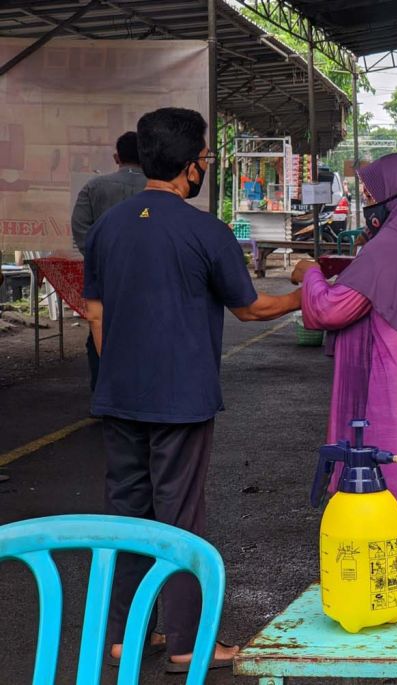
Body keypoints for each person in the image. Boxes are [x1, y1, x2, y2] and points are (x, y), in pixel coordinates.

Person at [83, 108, 302, 671]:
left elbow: (95, 311)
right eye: (203, 159)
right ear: (188, 169)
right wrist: (311, 290)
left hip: (120, 394)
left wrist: (124, 371)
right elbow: (253, 309)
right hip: (180, 399)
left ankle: (120, 636)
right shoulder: (207, 230)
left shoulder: (110, 225)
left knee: (126, 515)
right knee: (178, 518)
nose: (203, 167)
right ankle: (185, 644)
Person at [292, 153, 397, 579]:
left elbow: (331, 309)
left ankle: (382, 591)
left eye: (372, 193)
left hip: (392, 387)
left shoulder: (392, 247)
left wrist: (309, 274)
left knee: (382, 491)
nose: (369, 202)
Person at [71, 131, 148, 391]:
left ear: (117, 157)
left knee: (100, 333)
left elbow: (81, 230)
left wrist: (99, 261)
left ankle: (103, 397)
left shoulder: (94, 187)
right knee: (145, 335)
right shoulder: (159, 189)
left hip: (105, 277)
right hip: (149, 278)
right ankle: (142, 394)